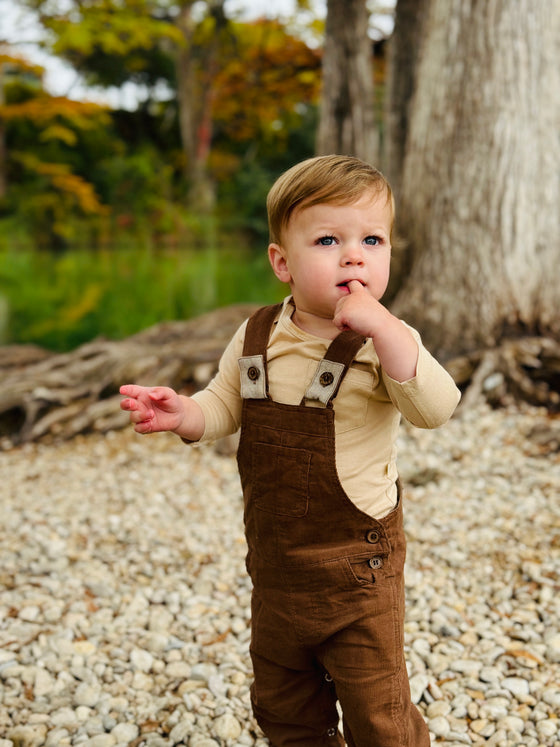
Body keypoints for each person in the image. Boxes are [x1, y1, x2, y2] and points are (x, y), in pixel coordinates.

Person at [120, 154, 461, 746]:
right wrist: (184, 414)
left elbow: (435, 409)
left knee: (375, 704)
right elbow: (226, 405)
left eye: (372, 240)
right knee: (284, 701)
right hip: (276, 568)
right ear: (283, 261)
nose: (354, 255)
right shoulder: (256, 334)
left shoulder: (389, 342)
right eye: (329, 239)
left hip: (359, 571)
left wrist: (386, 331)